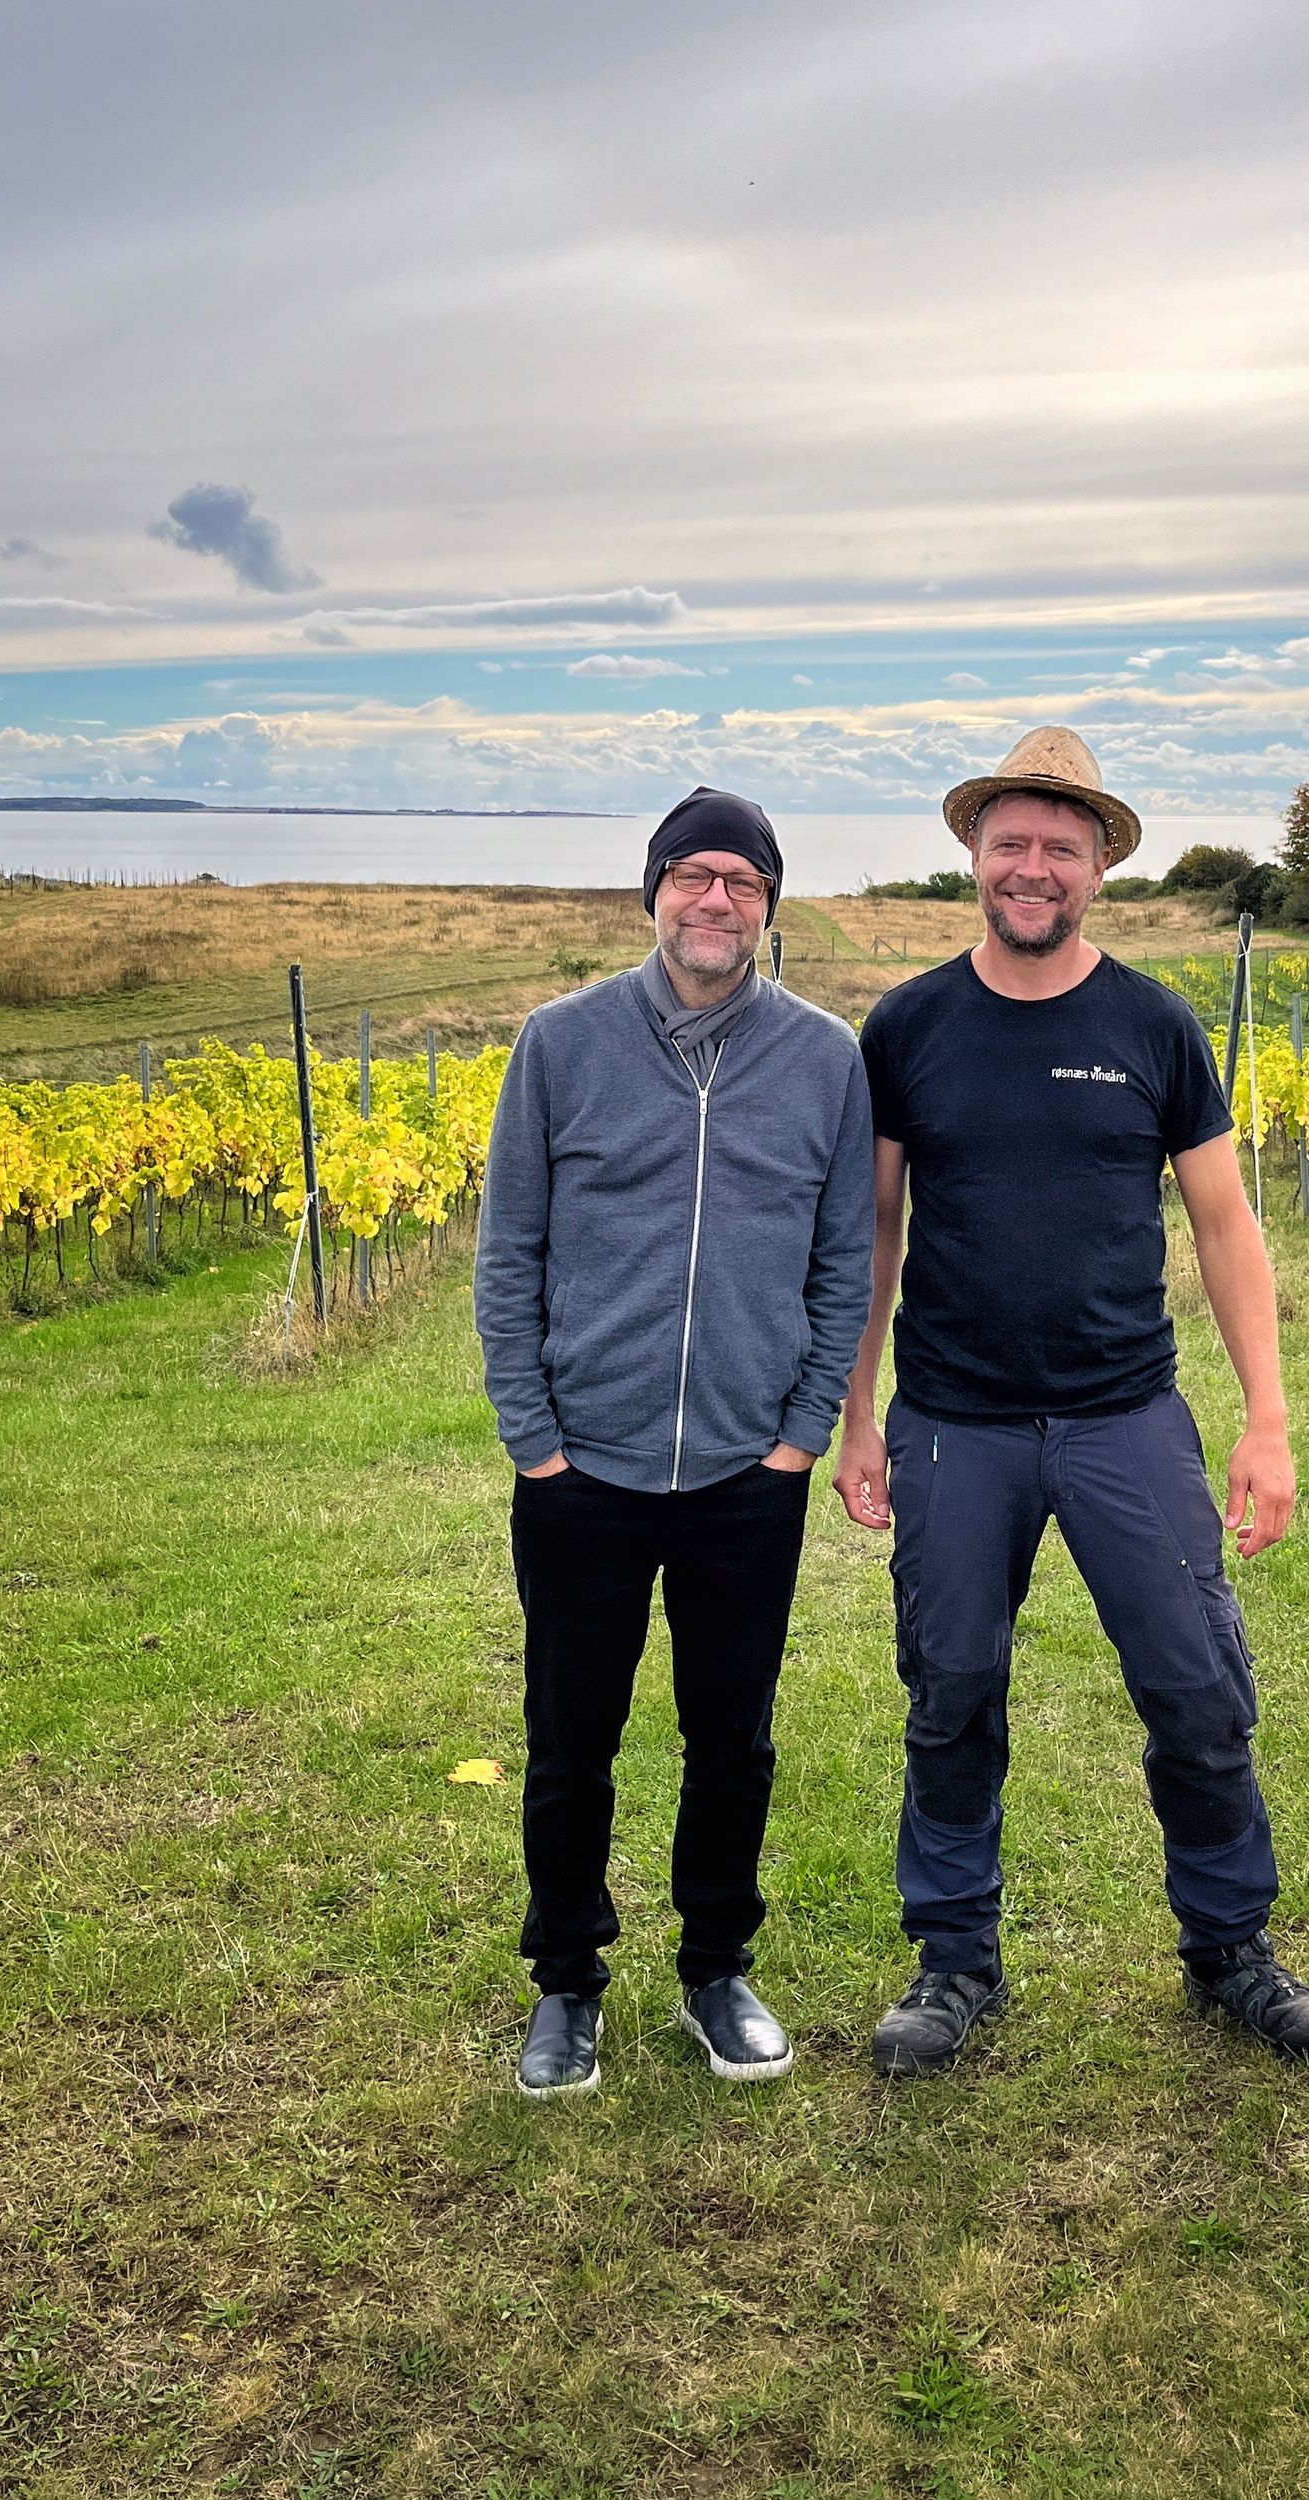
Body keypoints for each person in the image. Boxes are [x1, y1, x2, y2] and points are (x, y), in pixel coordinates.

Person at [833, 728, 1309, 2076]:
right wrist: (855, 1413)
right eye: (1011, 841)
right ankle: (954, 1961)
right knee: (951, 1687)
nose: (1032, 866)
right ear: (973, 855)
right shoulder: (908, 1028)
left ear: (1099, 868)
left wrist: (1270, 1420)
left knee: (1194, 1688)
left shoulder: (1151, 1025)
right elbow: (874, 1236)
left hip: (1128, 1418)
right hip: (957, 1422)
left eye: (1061, 847)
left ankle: (1229, 1949)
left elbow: (1228, 1226)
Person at [475, 788, 874, 2098]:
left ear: (769, 904)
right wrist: (536, 1441)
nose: (718, 901)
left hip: (745, 1480)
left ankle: (717, 1968)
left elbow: (843, 1261)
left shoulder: (822, 1058)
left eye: (744, 883)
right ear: (652, 891)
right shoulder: (560, 1044)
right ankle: (567, 1987)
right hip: (582, 1470)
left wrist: (800, 1433)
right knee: (569, 1743)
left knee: (732, 1740)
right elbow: (509, 1255)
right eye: (694, 877)